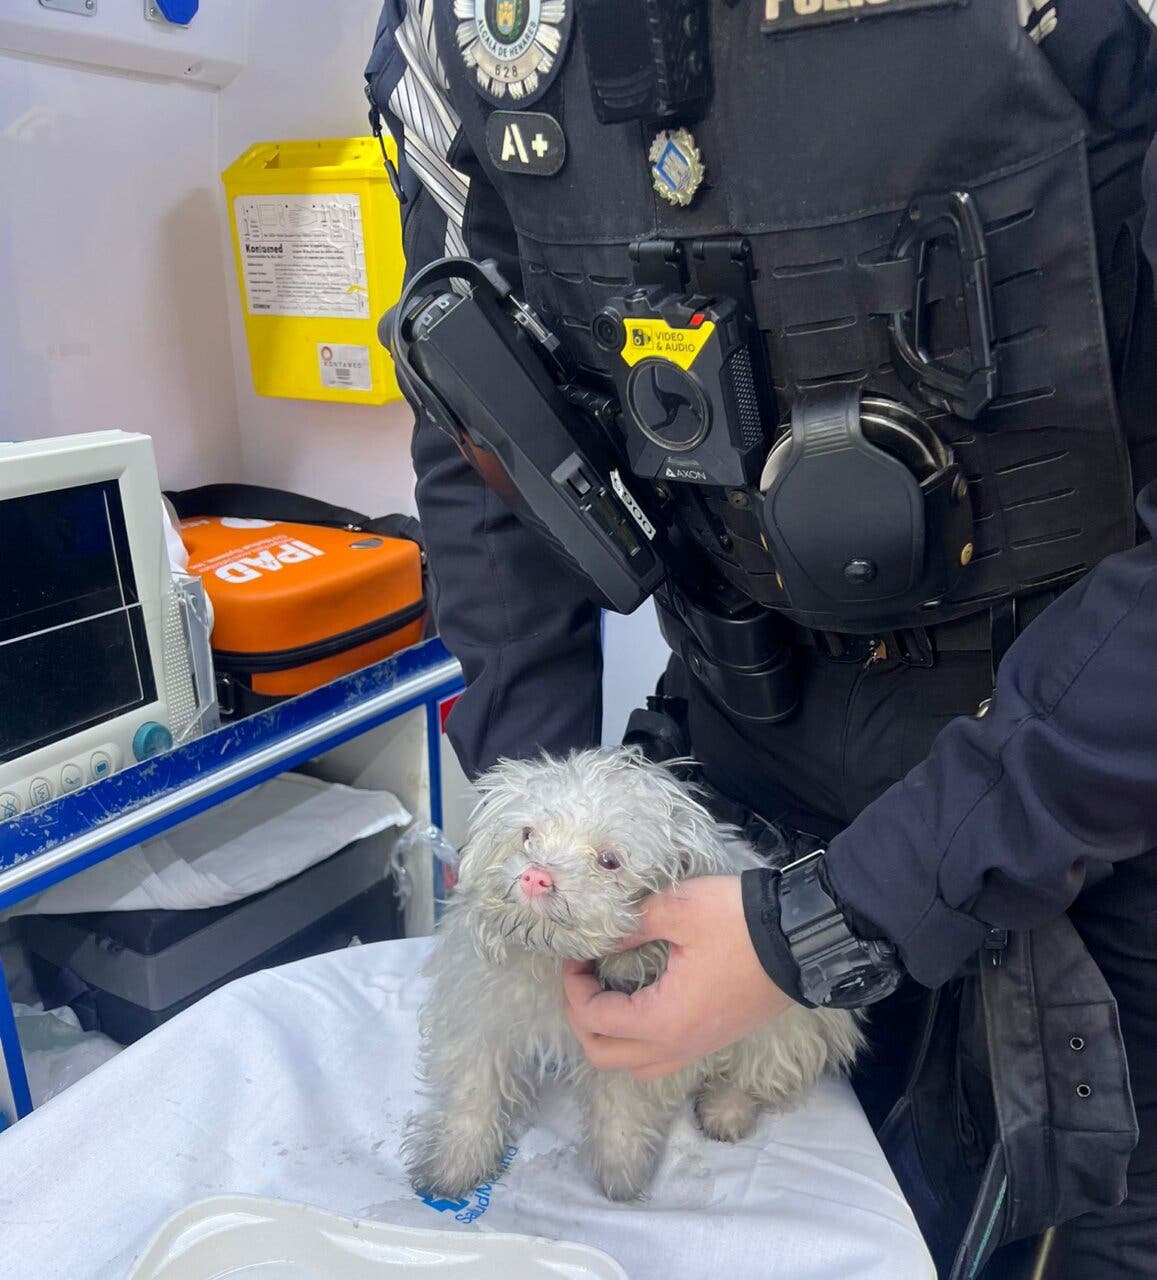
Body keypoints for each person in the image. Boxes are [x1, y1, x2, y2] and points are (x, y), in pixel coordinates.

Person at [367, 2, 1157, 1275]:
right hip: (745, 758)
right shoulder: (452, 43)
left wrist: (840, 919)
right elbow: (478, 419)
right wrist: (550, 814)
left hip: (1092, 793)